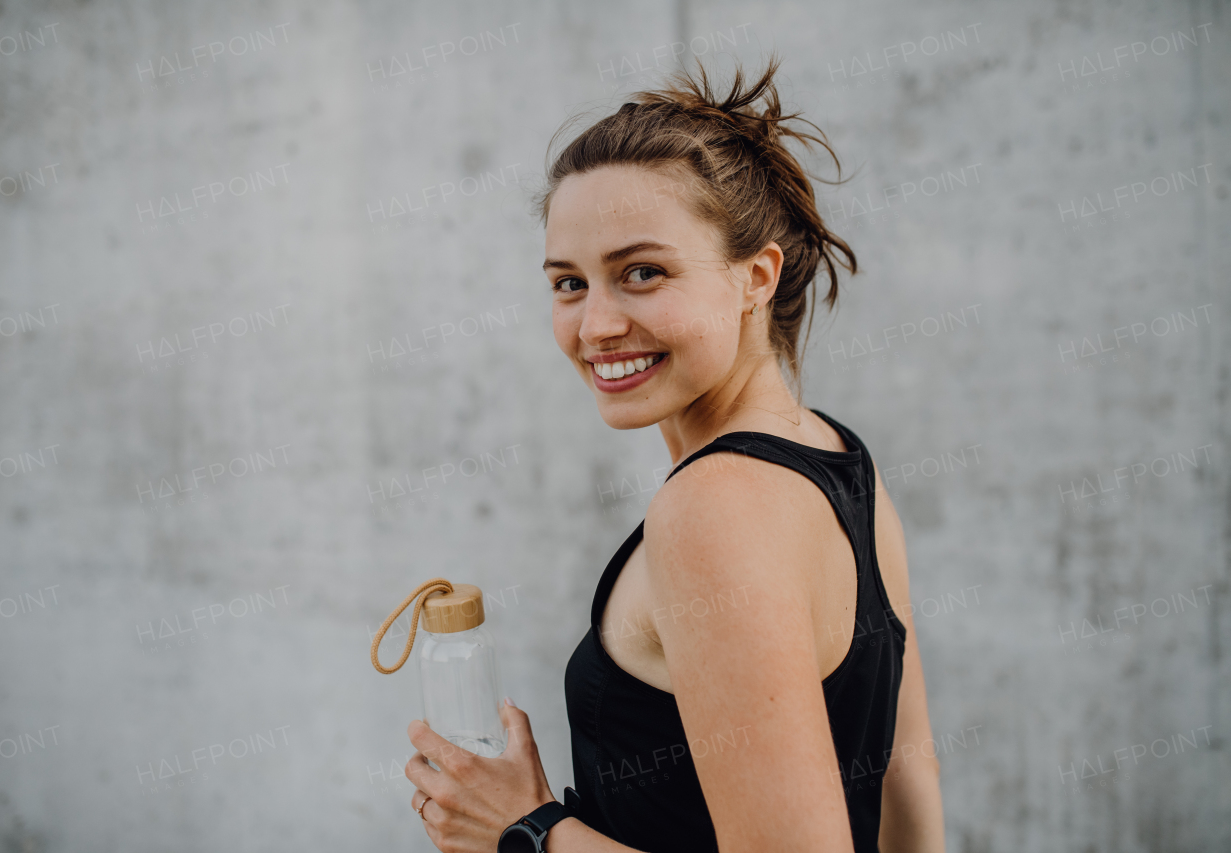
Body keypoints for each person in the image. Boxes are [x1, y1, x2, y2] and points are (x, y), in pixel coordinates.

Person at [403, 54, 945, 853]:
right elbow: (909, 786)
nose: (596, 327)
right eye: (569, 283)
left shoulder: (712, 506)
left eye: (643, 272)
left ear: (756, 276)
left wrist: (527, 830)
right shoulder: (837, 456)